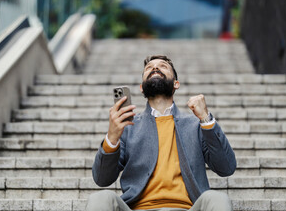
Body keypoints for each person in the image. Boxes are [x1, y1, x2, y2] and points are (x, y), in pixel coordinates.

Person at [86, 55, 236, 211]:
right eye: (149, 68)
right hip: (138, 208)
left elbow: (226, 167)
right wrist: (112, 137)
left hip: (188, 208)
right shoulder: (127, 127)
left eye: (163, 66)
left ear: (176, 84)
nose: (155, 68)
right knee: (101, 197)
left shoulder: (195, 125)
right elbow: (102, 179)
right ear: (142, 87)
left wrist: (206, 119)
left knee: (217, 198)